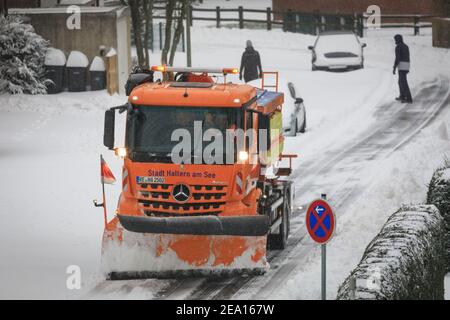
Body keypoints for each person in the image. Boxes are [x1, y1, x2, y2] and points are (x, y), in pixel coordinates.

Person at [393, 34, 413, 104]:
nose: (394, 41)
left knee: (403, 83)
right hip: (407, 65)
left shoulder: (398, 47)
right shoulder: (406, 46)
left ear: (397, 40)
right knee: (401, 82)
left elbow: (397, 58)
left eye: (395, 39)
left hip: (401, 65)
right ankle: (402, 96)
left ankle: (408, 98)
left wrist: (394, 67)